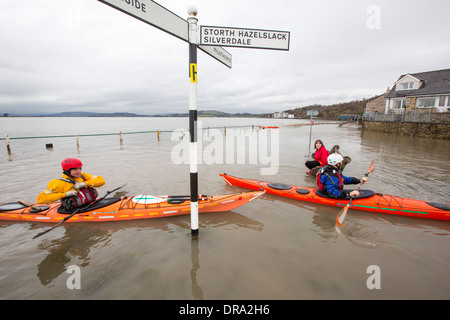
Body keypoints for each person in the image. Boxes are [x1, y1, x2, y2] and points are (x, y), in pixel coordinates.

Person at [37, 158, 105, 210]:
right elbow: (40, 199)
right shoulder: (57, 183)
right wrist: (65, 194)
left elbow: (101, 181)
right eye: (75, 170)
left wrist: (85, 183)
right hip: (73, 210)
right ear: (67, 171)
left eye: (79, 169)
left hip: (90, 205)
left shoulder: (83, 176)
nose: (78, 172)